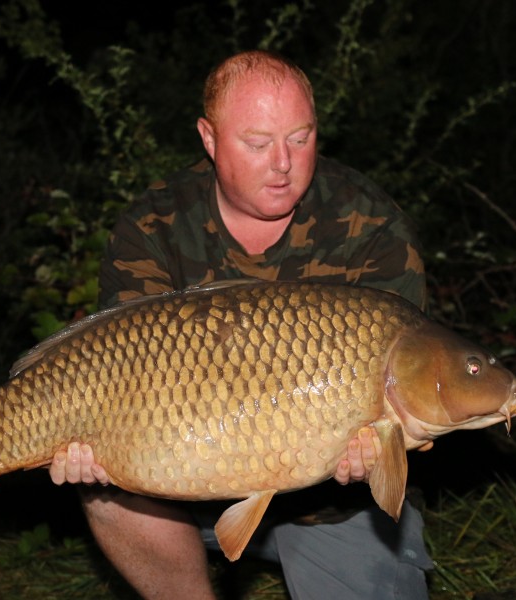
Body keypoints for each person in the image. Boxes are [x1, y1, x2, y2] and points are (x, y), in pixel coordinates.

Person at [47, 50, 433, 599]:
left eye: (300, 139)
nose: (283, 163)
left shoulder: (370, 225)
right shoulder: (154, 226)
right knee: (108, 497)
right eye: (257, 144)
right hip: (183, 485)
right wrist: (96, 448)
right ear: (209, 138)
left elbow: (410, 391)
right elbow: (118, 369)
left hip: (333, 510)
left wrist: (375, 457)